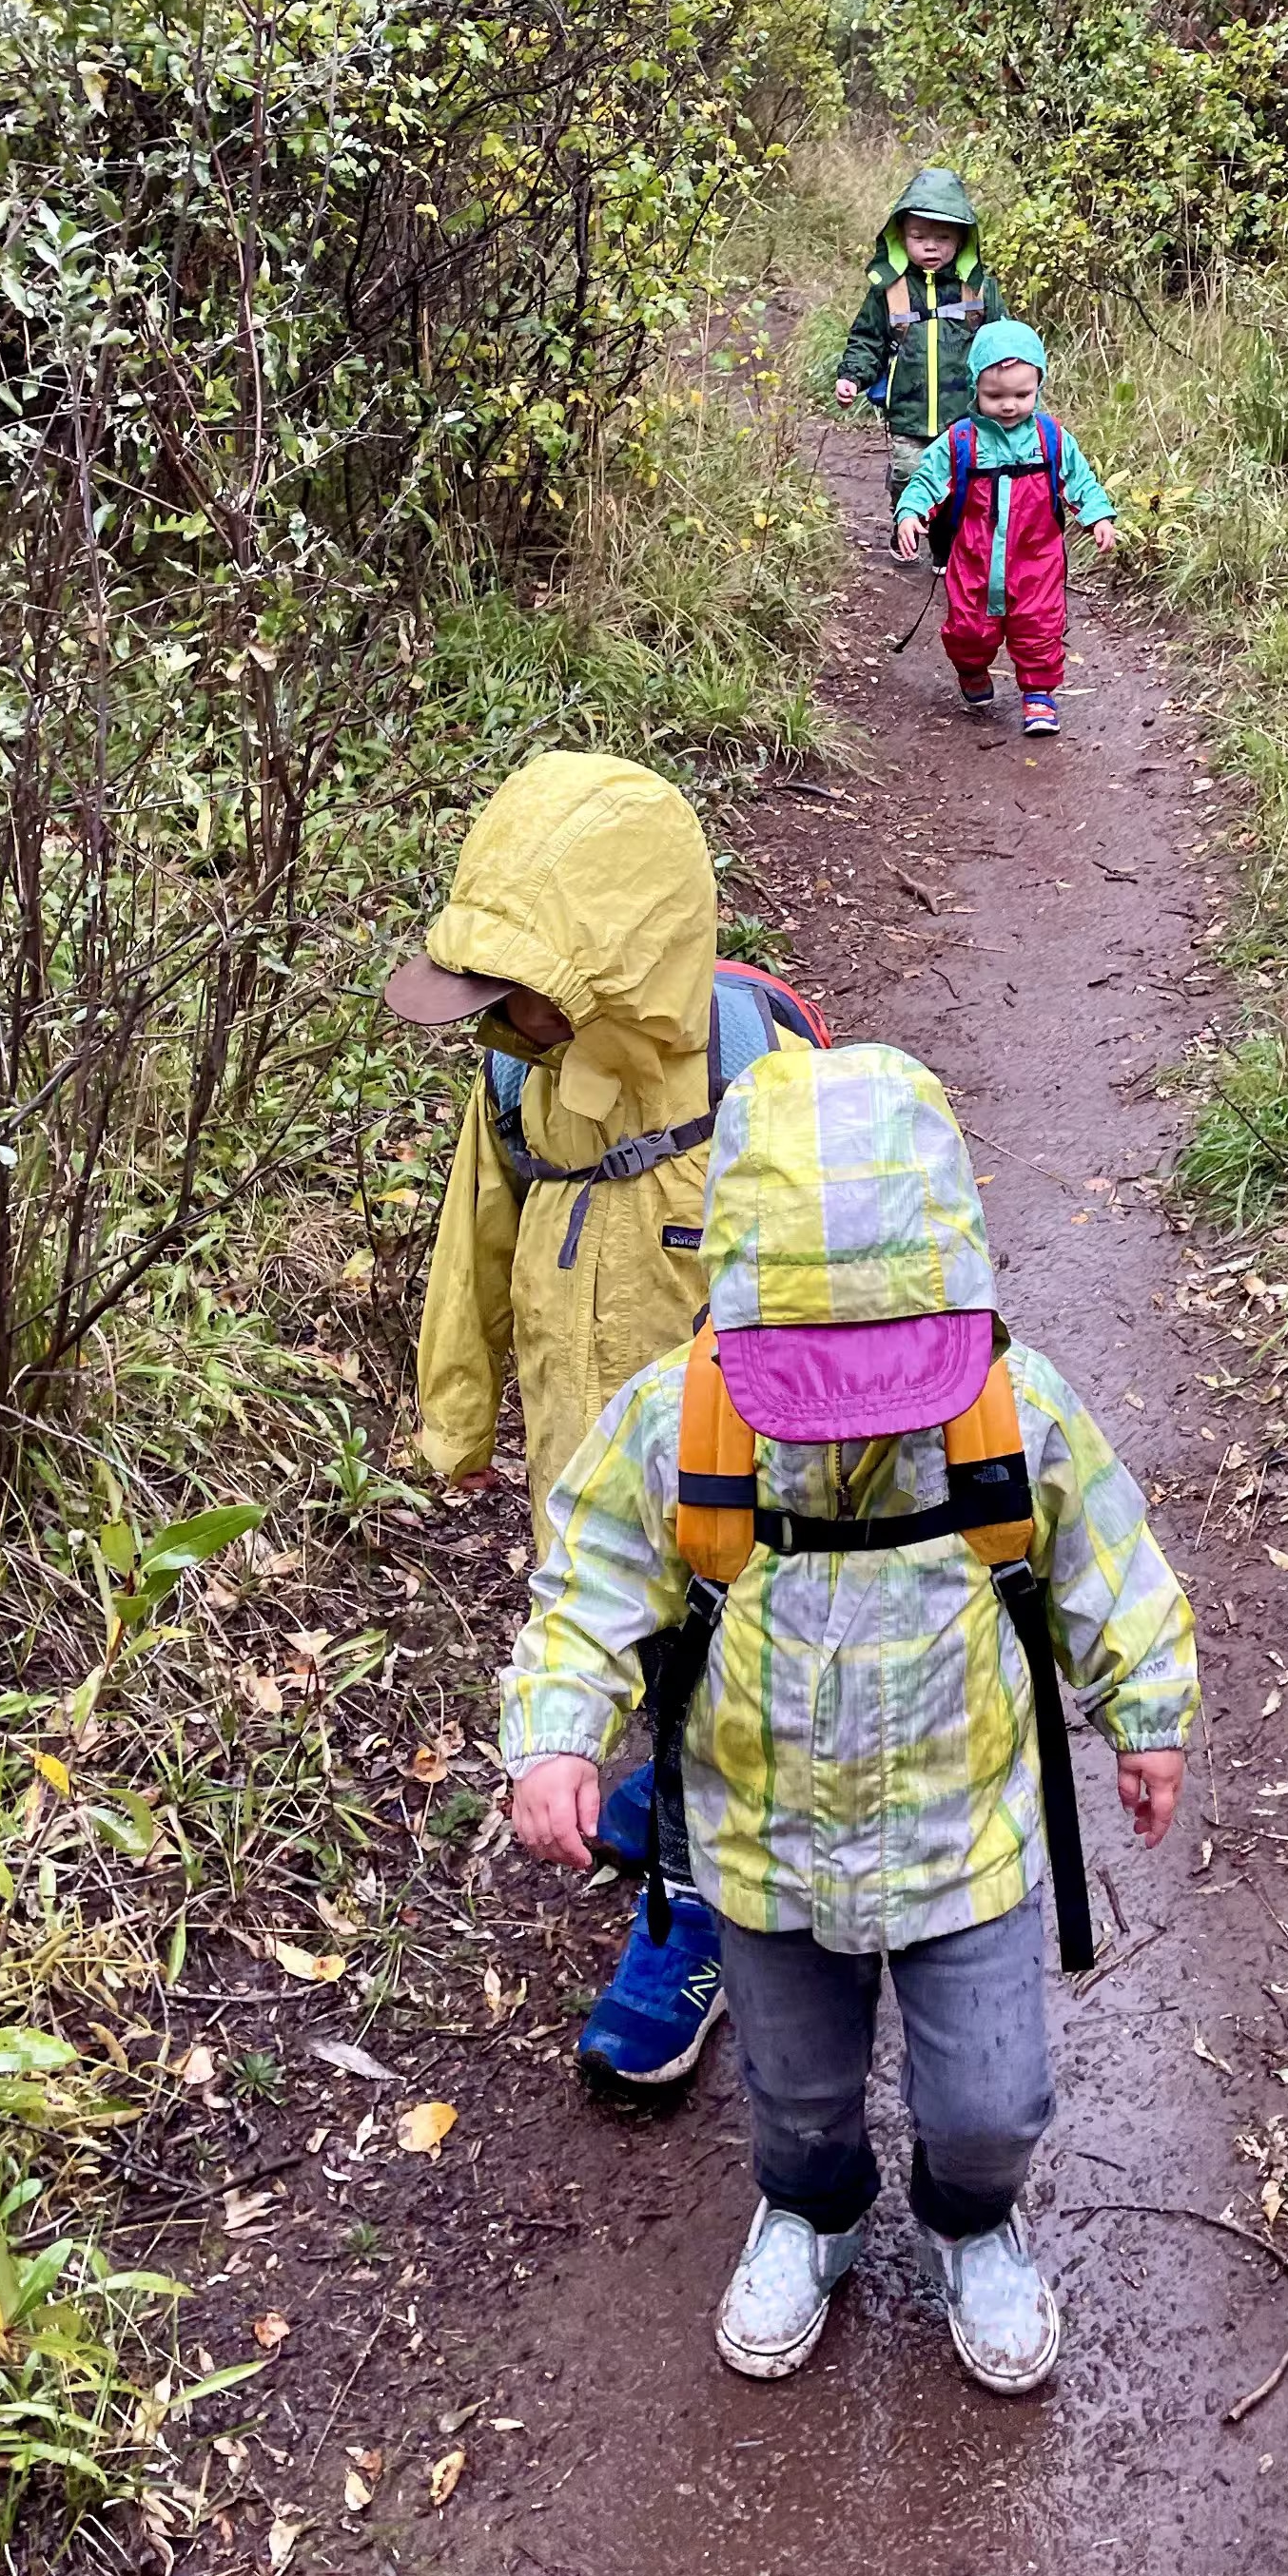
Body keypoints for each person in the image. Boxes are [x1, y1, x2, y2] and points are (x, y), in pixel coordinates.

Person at [500, 1038, 1197, 2396]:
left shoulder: (1008, 1412)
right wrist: (559, 1733)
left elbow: (1108, 1564)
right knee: (799, 2097)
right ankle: (813, 2212)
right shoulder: (683, 1422)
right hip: (761, 1846)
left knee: (992, 2105)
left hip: (967, 1840)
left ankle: (970, 2218)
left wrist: (1147, 1709)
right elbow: (589, 1584)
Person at [388, 749, 820, 2097]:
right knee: (620, 1650)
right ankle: (668, 1796)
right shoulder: (516, 1080)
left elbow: (829, 1291)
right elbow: (476, 1246)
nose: (492, 1019)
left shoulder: (757, 1075)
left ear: (610, 956)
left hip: (741, 1490)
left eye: (511, 989)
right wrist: (459, 1424)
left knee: (725, 1688)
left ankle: (696, 1913)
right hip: (588, 1462)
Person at [892, 321, 1118, 736]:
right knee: (968, 630)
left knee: (1039, 628)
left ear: (1039, 386)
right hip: (974, 558)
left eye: (1022, 395)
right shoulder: (961, 441)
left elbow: (1079, 481)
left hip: (1037, 560)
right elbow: (928, 479)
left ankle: (1039, 697)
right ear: (975, 388)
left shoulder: (1051, 439)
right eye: (995, 396)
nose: (1010, 405)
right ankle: (972, 667)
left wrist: (1098, 516)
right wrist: (910, 512)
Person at [832, 164, 1006, 531]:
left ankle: (948, 546)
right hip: (908, 411)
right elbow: (868, 339)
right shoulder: (890, 289)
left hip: (965, 412)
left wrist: (1010, 382)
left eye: (942, 237)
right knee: (908, 474)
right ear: (900, 237)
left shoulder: (977, 288)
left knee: (962, 483)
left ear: (961, 238)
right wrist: (852, 376)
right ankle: (905, 522)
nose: (930, 245)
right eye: (918, 236)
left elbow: (1001, 341)